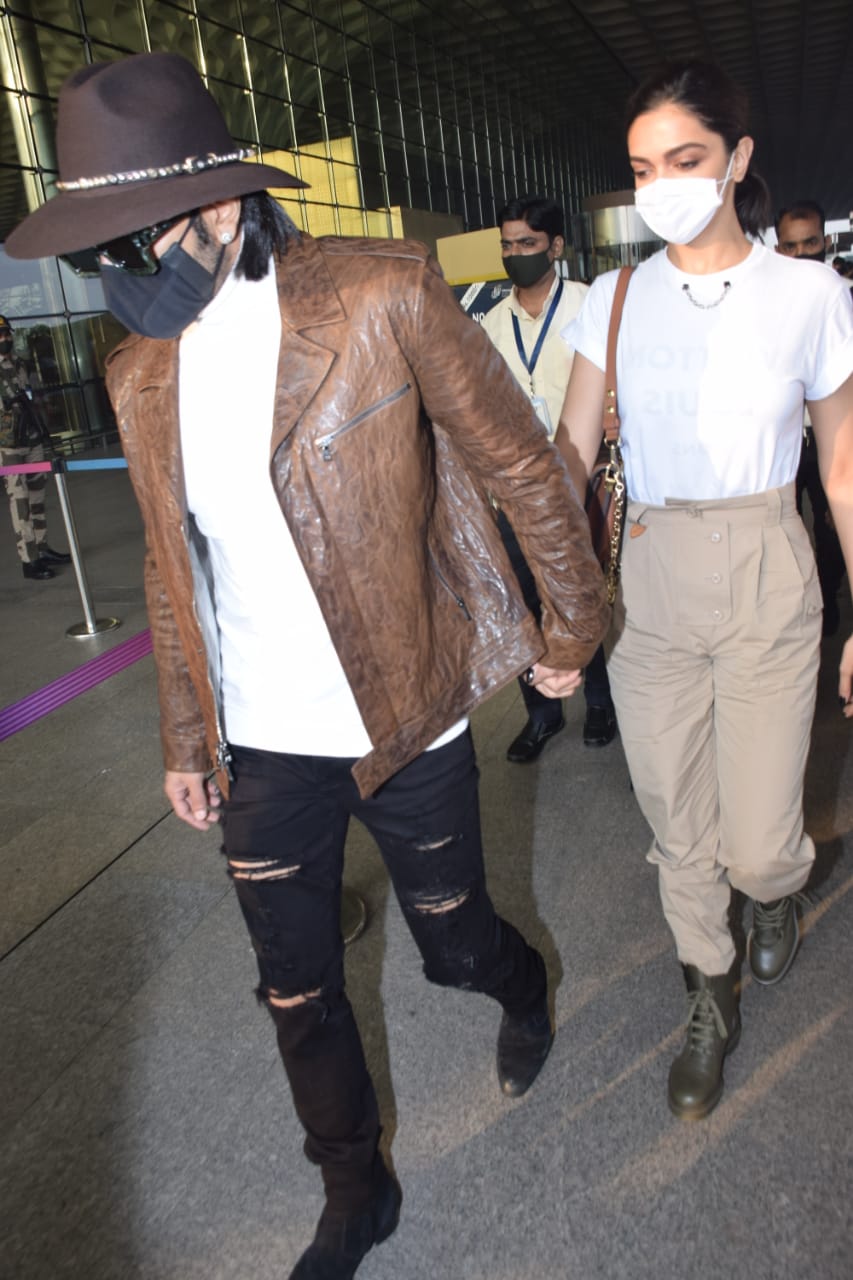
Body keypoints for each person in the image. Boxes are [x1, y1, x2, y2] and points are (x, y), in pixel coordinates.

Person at [6, 54, 609, 1280]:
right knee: (292, 985)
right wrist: (188, 734)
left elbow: (521, 462)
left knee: (450, 948)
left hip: (404, 707)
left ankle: (520, 977)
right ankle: (354, 1184)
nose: (119, 276)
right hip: (267, 738)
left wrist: (573, 622)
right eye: (99, 253)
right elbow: (178, 580)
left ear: (221, 206)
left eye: (136, 241)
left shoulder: (380, 294)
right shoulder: (142, 374)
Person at [555, 59, 853, 1122]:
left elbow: (843, 464)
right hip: (650, 571)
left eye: (684, 159)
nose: (662, 184)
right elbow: (571, 454)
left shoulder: (810, 292)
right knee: (676, 821)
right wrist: (555, 601)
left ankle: (774, 891)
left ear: (737, 159)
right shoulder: (613, 296)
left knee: (762, 841)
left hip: (771, 558)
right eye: (642, 167)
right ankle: (706, 989)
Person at [481, 196, 617, 758]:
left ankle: (603, 703)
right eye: (508, 245)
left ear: (556, 247)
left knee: (590, 592)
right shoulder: (491, 322)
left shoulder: (589, 307)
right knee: (525, 601)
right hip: (516, 491)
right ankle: (543, 713)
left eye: (527, 244)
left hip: (583, 483)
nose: (516, 254)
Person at [775, 200, 848, 635]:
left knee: (833, 525)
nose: (802, 254)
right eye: (791, 245)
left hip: (831, 438)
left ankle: (830, 605)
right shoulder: (761, 309)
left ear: (825, 241)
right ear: (778, 247)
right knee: (783, 531)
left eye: (811, 243)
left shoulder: (843, 300)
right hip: (784, 438)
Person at [0, 316, 70, 579]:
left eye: (6, 333)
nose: (5, 338)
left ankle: (42, 548)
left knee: (38, 498)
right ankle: (29, 560)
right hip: (8, 447)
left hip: (31, 439)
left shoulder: (19, 363)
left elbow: (30, 394)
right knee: (21, 503)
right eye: (0, 335)